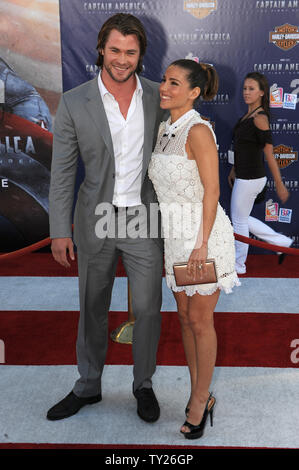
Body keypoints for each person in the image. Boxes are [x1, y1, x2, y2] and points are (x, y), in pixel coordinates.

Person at [47, 13, 166, 423]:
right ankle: (88, 385)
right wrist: (60, 229)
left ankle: (143, 384)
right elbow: (62, 172)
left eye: (130, 52)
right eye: (115, 50)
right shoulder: (75, 101)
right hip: (96, 216)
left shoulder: (157, 97)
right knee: (91, 305)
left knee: (149, 308)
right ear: (101, 49)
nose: (122, 59)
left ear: (140, 55)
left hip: (142, 218)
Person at [148, 59, 240, 439]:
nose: (164, 88)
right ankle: (196, 391)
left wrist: (201, 244)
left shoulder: (198, 130)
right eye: (164, 80)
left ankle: (201, 399)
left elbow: (213, 191)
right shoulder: (165, 127)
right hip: (175, 238)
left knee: (201, 322)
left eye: (174, 83)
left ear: (194, 92)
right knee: (185, 319)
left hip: (203, 240)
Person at [228, 72, 292, 274]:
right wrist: (233, 169)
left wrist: (280, 184)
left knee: (238, 221)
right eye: (245, 88)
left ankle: (239, 265)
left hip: (251, 178)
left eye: (252, 89)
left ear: (262, 93)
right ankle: (281, 242)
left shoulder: (260, 118)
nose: (246, 92)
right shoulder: (246, 117)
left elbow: (269, 154)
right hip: (244, 175)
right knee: (242, 218)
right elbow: (242, 147)